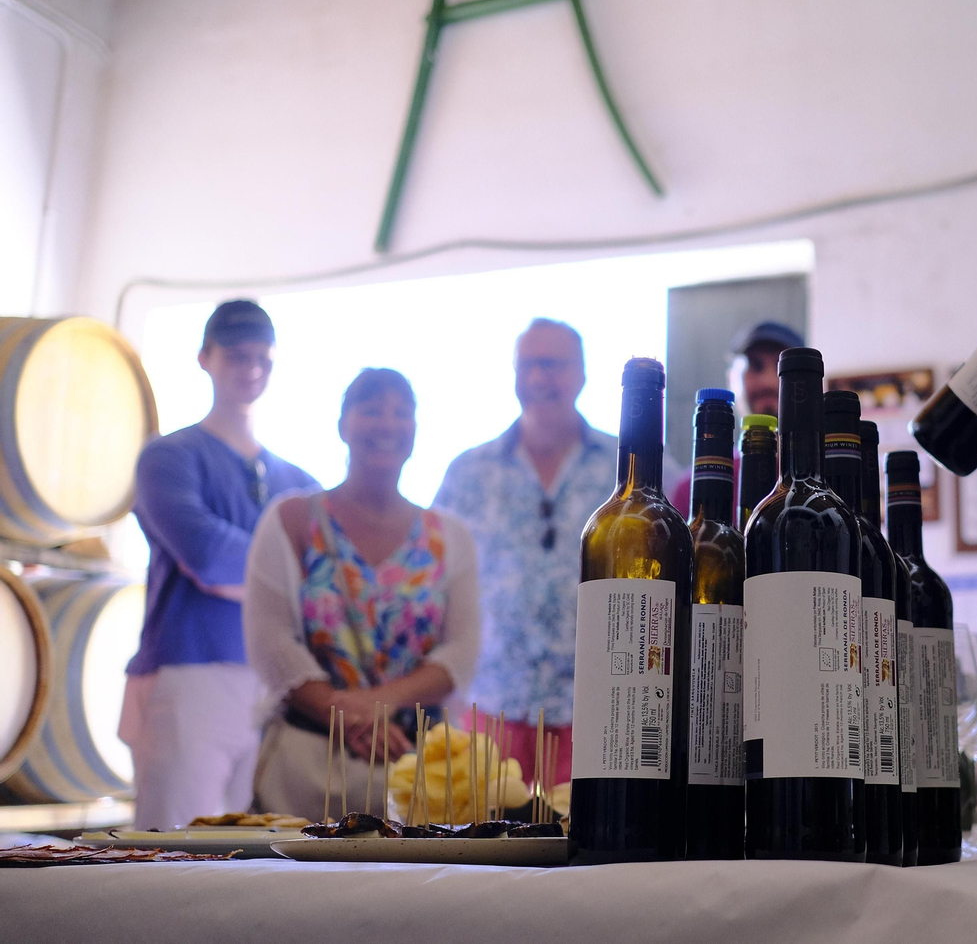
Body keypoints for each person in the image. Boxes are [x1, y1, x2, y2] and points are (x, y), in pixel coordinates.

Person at [244, 368, 480, 821]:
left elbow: (462, 650)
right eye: (372, 410)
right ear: (342, 425)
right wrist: (347, 716)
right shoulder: (292, 519)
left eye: (402, 413)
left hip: (418, 769)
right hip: (307, 765)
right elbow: (271, 641)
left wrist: (378, 703)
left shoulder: (451, 536)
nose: (388, 424)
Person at [120, 300, 318, 829]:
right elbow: (207, 556)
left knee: (264, 854)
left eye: (262, 358)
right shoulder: (168, 457)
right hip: (191, 673)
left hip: (277, 686)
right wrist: (288, 579)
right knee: (174, 846)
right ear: (205, 357)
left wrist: (281, 578)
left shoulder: (299, 482)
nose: (251, 369)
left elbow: (327, 581)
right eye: (236, 355)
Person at [432, 319, 615, 785]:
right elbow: (431, 581)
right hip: (489, 706)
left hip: (599, 710)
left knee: (584, 830)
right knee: (484, 830)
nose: (538, 378)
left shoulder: (630, 466)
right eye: (527, 366)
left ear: (582, 374)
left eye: (552, 365)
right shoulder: (467, 472)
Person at [669, 320, 802, 514]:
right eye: (755, 366)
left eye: (782, 368)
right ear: (732, 378)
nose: (768, 382)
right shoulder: (690, 491)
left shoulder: (830, 479)